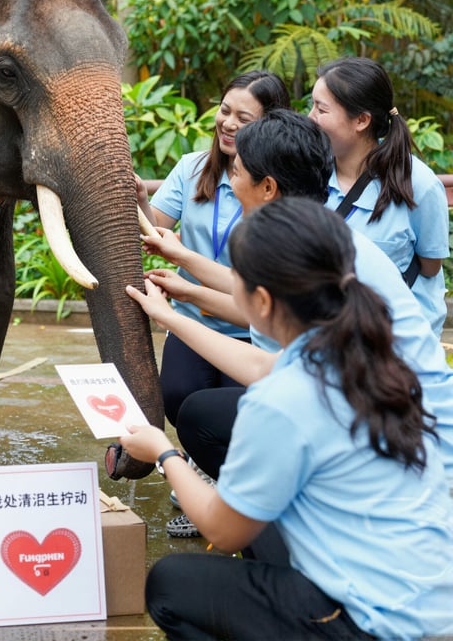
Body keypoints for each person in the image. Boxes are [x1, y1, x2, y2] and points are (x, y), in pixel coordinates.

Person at [120, 197, 453, 640]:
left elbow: (223, 529)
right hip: (434, 600)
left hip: (376, 622)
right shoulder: (370, 353)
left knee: (170, 583)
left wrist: (163, 454)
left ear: (260, 301)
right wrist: (169, 312)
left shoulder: (280, 399)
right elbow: (265, 368)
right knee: (268, 517)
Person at [125, 110, 453, 542]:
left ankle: (282, 526)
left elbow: (264, 365)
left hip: (395, 430)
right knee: (208, 410)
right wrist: (185, 275)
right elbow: (253, 300)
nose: (230, 178)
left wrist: (164, 453)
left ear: (267, 187)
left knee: (207, 421)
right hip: (383, 413)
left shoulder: (311, 256)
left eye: (237, 172)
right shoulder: (318, 235)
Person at [136, 71, 290, 428]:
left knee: (242, 413)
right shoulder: (191, 168)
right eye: (225, 111)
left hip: (250, 330)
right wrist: (141, 199)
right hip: (192, 320)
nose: (229, 124)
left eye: (244, 118)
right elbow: (156, 232)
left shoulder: (279, 189)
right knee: (176, 396)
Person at [310, 57, 449, 336]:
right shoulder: (310, 171)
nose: (310, 117)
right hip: (329, 335)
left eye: (321, 109)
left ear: (361, 120)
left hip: (396, 341)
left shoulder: (417, 183)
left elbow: (430, 266)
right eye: (311, 105)